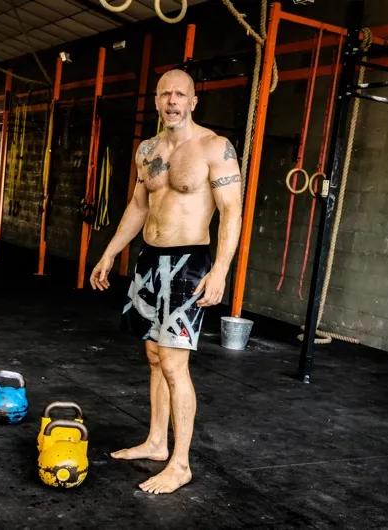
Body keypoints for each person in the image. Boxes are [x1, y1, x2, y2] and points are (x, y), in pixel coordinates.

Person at [89, 69, 243, 495]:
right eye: (165, 94)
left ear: (193, 101)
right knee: (155, 355)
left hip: (190, 262)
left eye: (180, 94)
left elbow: (232, 211)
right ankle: (157, 442)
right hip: (150, 259)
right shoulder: (148, 150)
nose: (172, 101)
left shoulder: (215, 147)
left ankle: (181, 464)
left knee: (175, 364)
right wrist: (110, 252)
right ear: (156, 101)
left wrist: (220, 270)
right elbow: (139, 206)